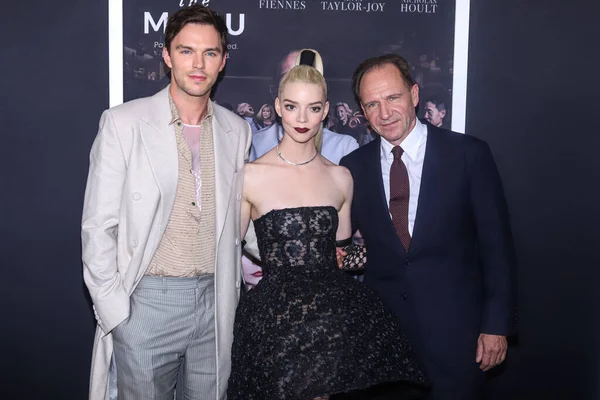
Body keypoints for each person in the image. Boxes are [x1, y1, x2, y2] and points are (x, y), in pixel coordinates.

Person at [227, 49, 427, 400]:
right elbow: (227, 257)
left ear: (326, 111)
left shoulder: (340, 177)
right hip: (273, 325)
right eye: (291, 106)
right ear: (277, 106)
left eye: (313, 108)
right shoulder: (250, 176)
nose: (302, 117)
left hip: (330, 324)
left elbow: (342, 255)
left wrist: (383, 255)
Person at [81, 5, 252, 400]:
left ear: (223, 61)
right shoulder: (123, 123)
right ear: (166, 54)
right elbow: (97, 226)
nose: (198, 63)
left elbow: (245, 220)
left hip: (215, 303)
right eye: (186, 50)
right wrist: (116, 313)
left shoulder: (236, 130)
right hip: (146, 304)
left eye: (210, 53)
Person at [340, 54, 516, 400]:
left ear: (415, 95)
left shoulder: (468, 155)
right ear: (362, 111)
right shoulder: (352, 167)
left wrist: (496, 326)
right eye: (372, 104)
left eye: (393, 98)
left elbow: (497, 248)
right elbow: (342, 244)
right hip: (384, 345)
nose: (385, 113)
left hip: (458, 340)